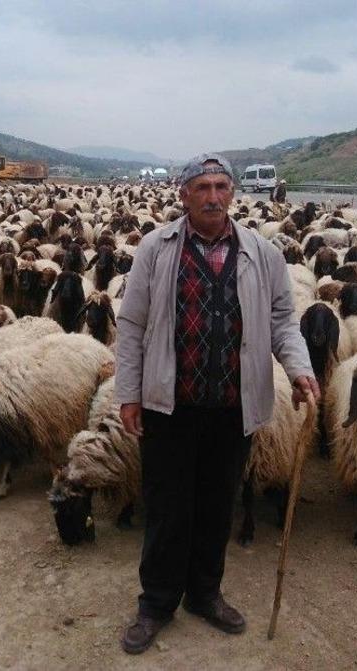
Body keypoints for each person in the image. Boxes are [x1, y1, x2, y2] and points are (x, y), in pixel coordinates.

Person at [115, 153, 319, 654]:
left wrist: (300, 369)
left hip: (233, 406)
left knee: (216, 503)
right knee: (166, 507)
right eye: (202, 187)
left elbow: (283, 322)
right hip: (169, 403)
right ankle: (156, 602)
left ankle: (204, 594)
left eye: (220, 187)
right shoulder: (155, 250)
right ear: (183, 194)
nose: (212, 196)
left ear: (233, 193)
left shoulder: (263, 254)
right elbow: (132, 326)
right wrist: (129, 393)